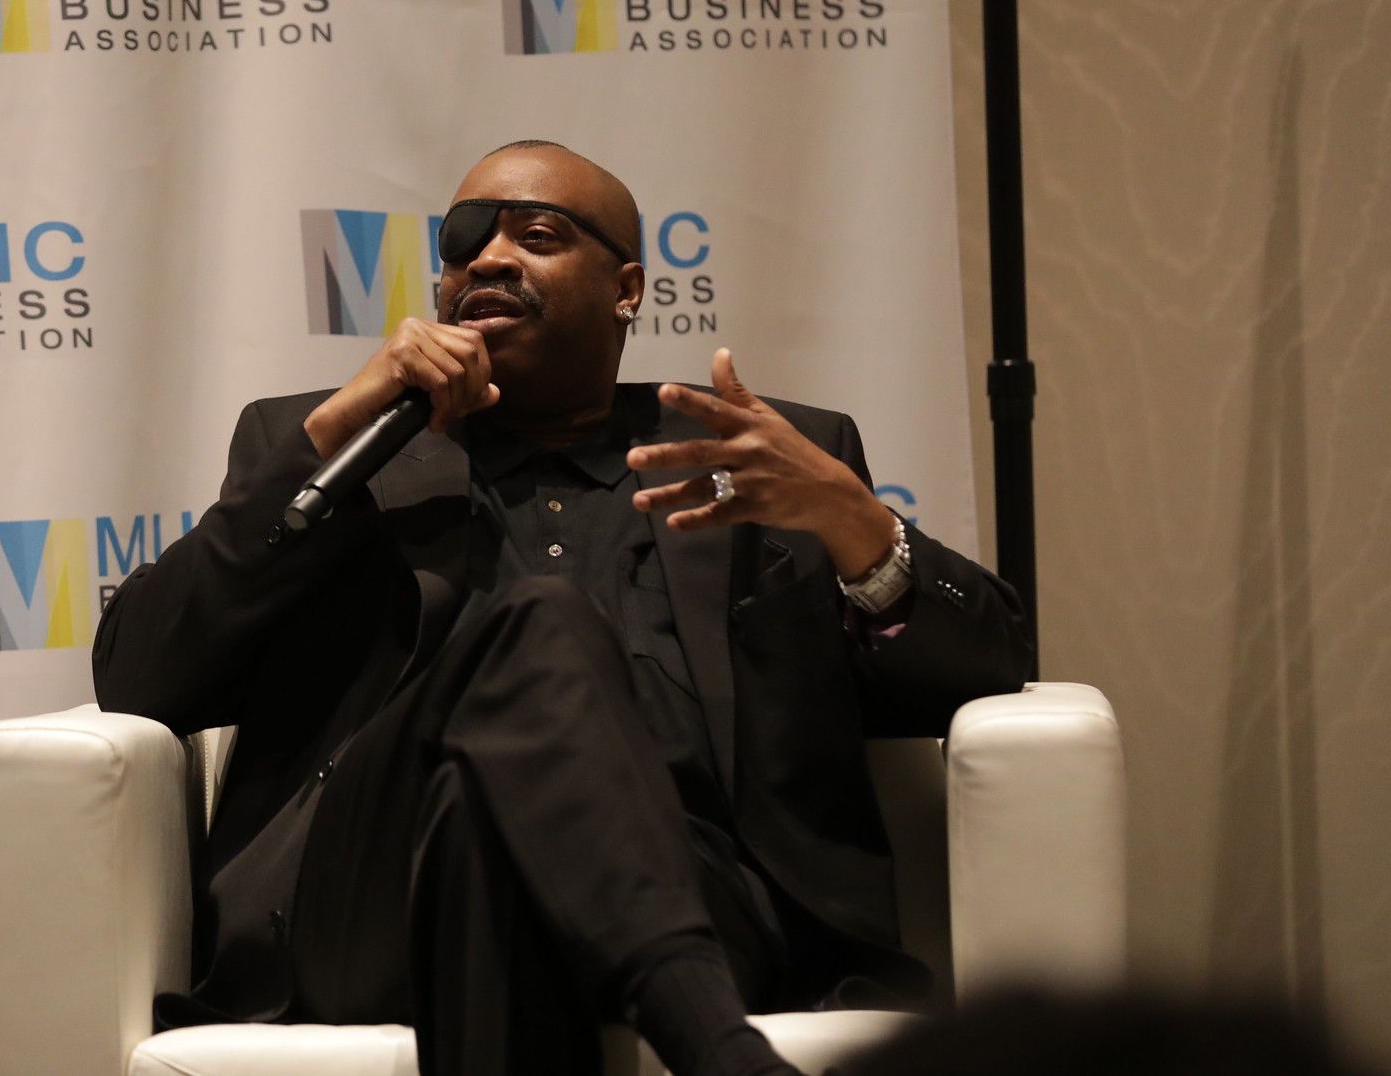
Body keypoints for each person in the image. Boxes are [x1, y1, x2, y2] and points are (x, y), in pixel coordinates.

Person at [93, 140, 1032, 1076]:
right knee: (541, 626)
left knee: (501, 824)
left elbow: (986, 669)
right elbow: (142, 674)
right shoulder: (340, 447)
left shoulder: (748, 455)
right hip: (377, 890)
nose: (488, 260)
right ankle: (713, 1043)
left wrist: (854, 519)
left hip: (702, 884)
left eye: (536, 235)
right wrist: (336, 432)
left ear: (626, 287)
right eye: (464, 243)